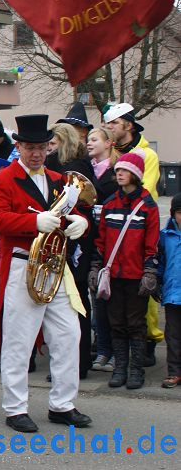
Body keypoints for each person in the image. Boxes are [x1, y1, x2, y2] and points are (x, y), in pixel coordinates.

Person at [0, 114, 91, 433]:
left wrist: (81, 223)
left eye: (42, 147)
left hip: (55, 266)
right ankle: (15, 408)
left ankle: (63, 404)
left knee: (69, 335)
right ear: (18, 147)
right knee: (19, 340)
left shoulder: (59, 179)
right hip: (22, 264)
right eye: (30, 147)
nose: (36, 154)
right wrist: (32, 223)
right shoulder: (1, 180)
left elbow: (76, 211)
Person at [90, 150, 160, 390]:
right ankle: (120, 369)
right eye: (118, 170)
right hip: (113, 275)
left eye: (124, 170)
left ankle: (136, 371)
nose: (119, 174)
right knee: (115, 323)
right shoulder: (110, 203)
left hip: (135, 275)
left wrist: (149, 272)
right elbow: (101, 241)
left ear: (136, 174)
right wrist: (96, 267)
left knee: (136, 324)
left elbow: (152, 245)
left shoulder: (148, 206)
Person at [102, 102, 163, 366]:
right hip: (114, 225)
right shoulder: (109, 150)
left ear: (127, 124)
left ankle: (149, 340)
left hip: (137, 227)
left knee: (142, 290)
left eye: (114, 123)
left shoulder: (146, 155)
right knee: (114, 292)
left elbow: (145, 190)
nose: (109, 127)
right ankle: (115, 345)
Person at [46, 122, 98, 377]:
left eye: (53, 144)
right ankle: (73, 361)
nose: (49, 149)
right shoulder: (68, 165)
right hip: (68, 239)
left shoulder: (74, 168)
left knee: (75, 301)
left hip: (75, 241)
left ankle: (79, 361)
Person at [87, 127, 119, 373]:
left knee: (112, 302)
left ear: (109, 143)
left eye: (94, 139)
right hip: (92, 242)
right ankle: (102, 348)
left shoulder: (115, 172)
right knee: (96, 300)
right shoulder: (89, 170)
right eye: (88, 139)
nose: (89, 143)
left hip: (111, 243)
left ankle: (114, 352)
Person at [157, 194, 181, 388]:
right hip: (173, 294)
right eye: (180, 213)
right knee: (172, 335)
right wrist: (157, 282)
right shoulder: (165, 236)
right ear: (173, 214)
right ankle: (174, 371)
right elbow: (161, 263)